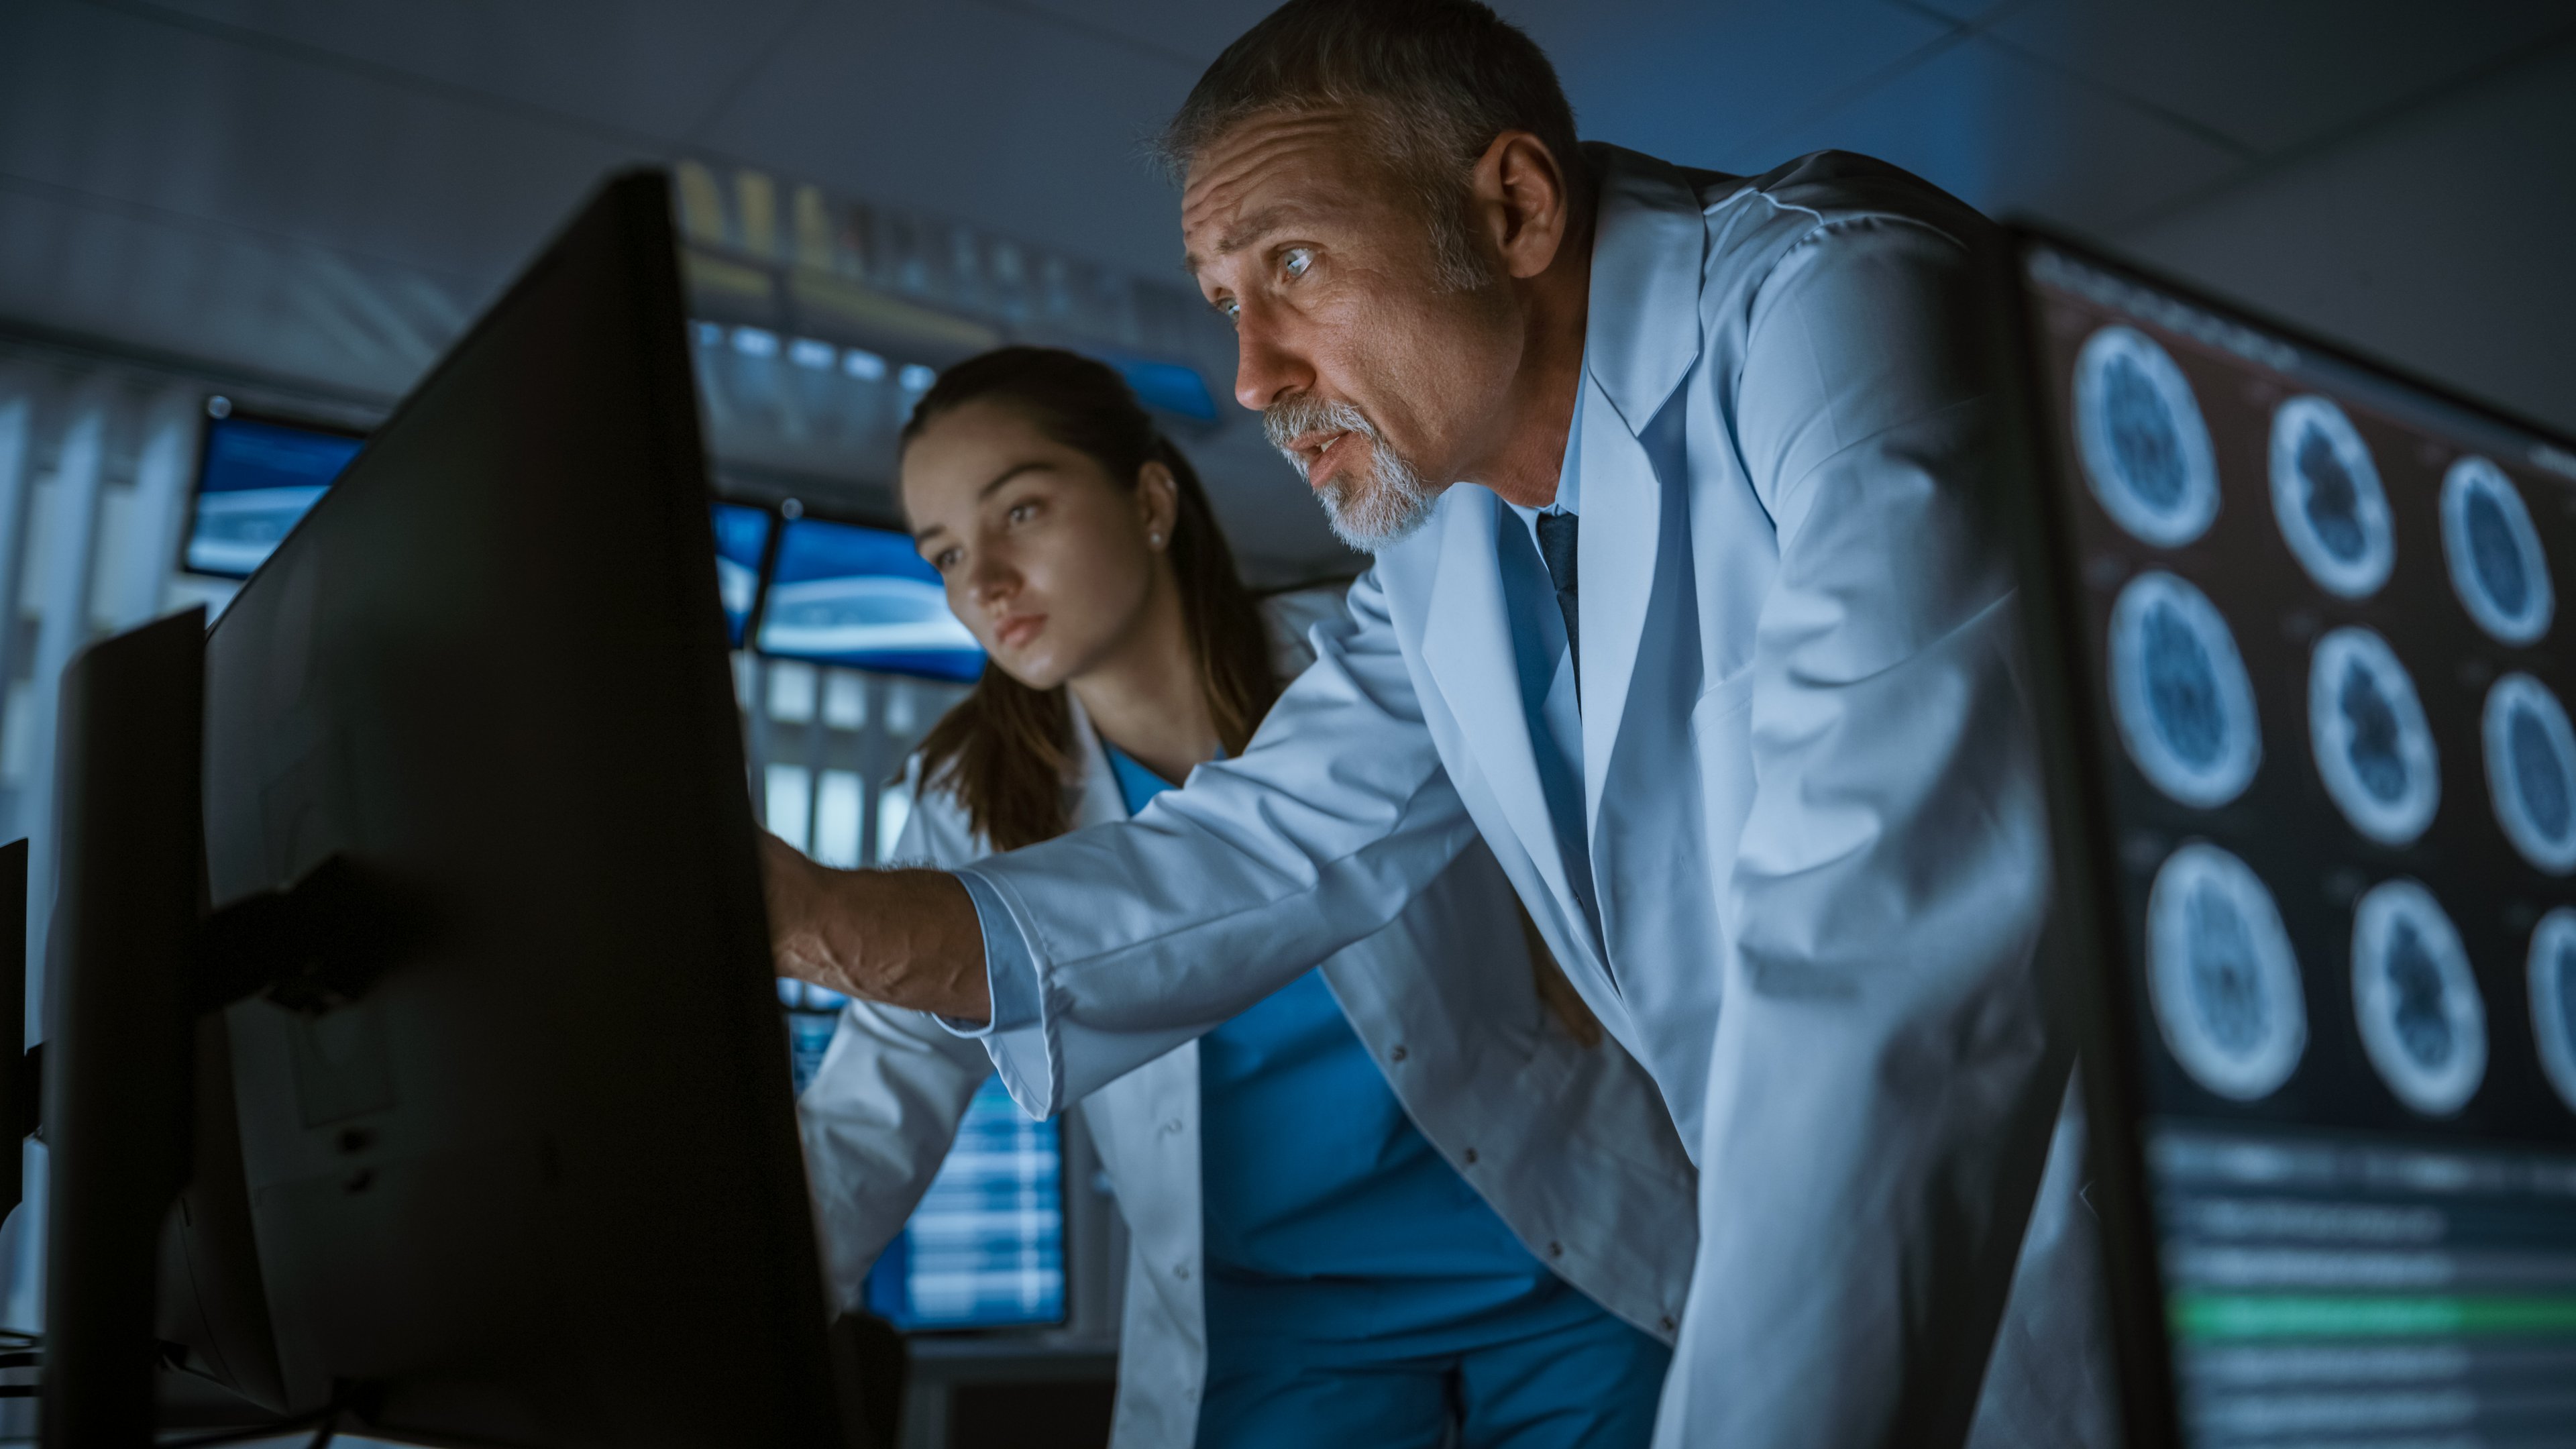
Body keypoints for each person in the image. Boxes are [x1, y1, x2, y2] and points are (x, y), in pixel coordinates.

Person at [758, 2, 2112, 1444]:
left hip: (2054, 1245)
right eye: (1228, 299)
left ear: (1517, 207)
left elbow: (1885, 935)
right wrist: (816, 916)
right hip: (1784, 1279)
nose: (1254, 375)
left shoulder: (1837, 314)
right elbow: (1265, 849)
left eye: (1293, 264)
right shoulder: (1445, 544)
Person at [794, 346, 1693, 1448]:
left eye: (1020, 511)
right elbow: (873, 1105)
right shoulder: (967, 803)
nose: (980, 581)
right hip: (1281, 1331)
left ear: (1152, 498)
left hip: (1552, 1254)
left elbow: (1607, 828)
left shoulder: (1359, 654)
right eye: (942, 554)